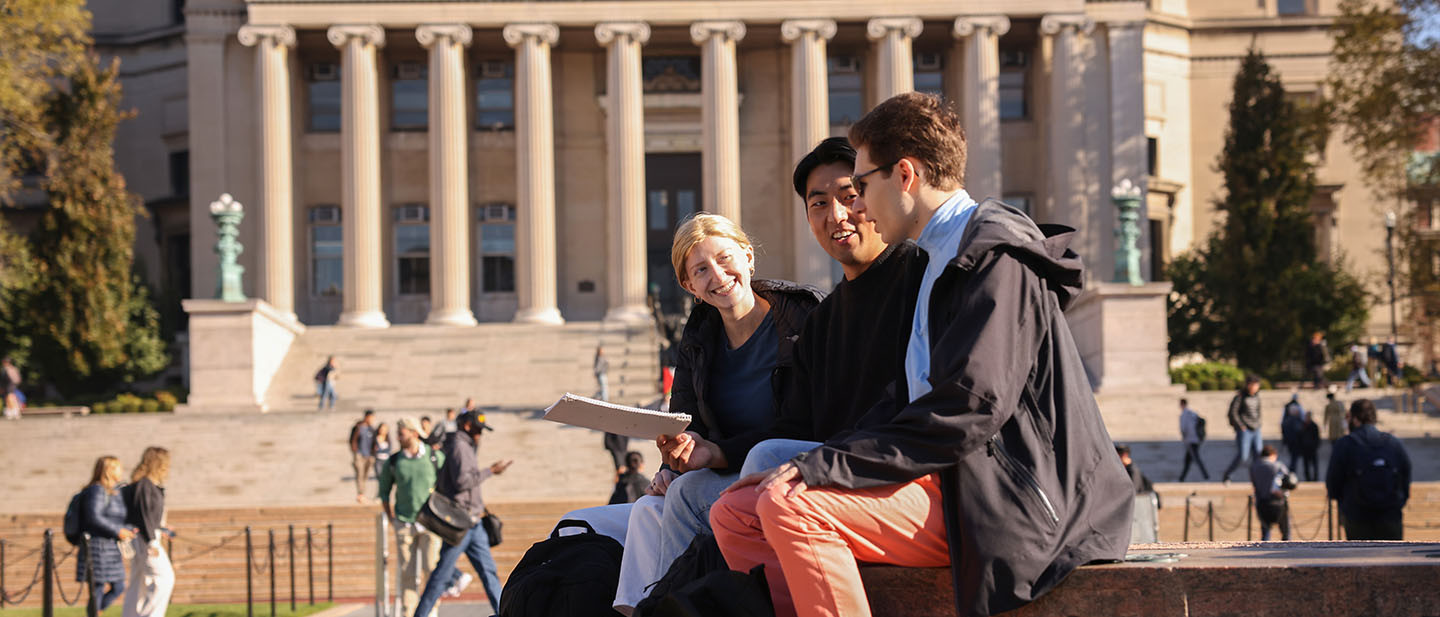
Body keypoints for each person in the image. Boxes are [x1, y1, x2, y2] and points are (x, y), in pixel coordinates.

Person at [711, 92, 1132, 617]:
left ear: (905, 175)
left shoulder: (991, 254)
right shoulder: (936, 259)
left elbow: (970, 405)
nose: (855, 206)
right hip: (948, 478)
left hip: (1012, 497)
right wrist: (809, 462)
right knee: (735, 512)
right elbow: (911, 402)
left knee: (792, 505)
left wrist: (827, 466)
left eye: (861, 186)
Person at [662, 135, 921, 590]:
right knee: (673, 499)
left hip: (903, 481)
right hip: (827, 468)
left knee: (757, 486)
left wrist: (816, 466)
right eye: (819, 203)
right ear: (688, 285)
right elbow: (806, 418)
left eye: (849, 196)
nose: (837, 215)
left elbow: (943, 409)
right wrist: (684, 460)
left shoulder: (819, 309)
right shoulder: (829, 317)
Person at [560, 213, 822, 614]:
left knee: (686, 493)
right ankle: (634, 611)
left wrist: (714, 455)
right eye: (700, 270)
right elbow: (686, 421)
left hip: (793, 465)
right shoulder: (699, 337)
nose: (717, 275)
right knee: (645, 509)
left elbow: (805, 421)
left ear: (748, 257)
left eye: (724, 258)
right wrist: (674, 459)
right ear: (689, 285)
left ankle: (672, 610)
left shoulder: (802, 320)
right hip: (728, 474)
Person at [414, 410, 512, 617]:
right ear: (467, 426)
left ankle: (504, 612)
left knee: (489, 572)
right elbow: (462, 482)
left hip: (473, 522)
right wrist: (490, 471)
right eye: (477, 430)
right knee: (442, 575)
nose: (480, 434)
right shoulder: (459, 446)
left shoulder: (464, 445)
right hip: (462, 522)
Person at [379, 418, 445, 617]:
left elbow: (447, 485)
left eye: (402, 433)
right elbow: (384, 491)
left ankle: (431, 612)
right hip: (404, 521)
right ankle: (409, 613)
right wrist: (392, 518)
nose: (398, 437)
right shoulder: (394, 461)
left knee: (431, 570)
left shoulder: (435, 457)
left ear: (414, 433)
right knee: (407, 573)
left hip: (431, 524)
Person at [1326, 399, 1412, 540]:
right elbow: (1406, 474)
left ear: (1354, 419)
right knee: (1393, 560)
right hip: (1390, 515)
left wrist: (1344, 505)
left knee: (1359, 560)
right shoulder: (1393, 443)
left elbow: (1333, 482)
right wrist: (1399, 502)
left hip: (1357, 515)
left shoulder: (1344, 444)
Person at [78, 456, 134, 616]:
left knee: (118, 586)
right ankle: (95, 613)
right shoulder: (96, 490)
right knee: (97, 588)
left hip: (110, 548)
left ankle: (97, 613)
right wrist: (118, 531)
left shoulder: (113, 491)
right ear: (109, 470)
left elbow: (117, 518)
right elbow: (94, 517)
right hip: (98, 548)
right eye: (118, 468)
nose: (121, 471)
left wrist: (127, 529)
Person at [122, 447, 174, 617]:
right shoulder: (145, 485)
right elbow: (144, 515)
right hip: (146, 539)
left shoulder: (144, 484)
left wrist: (162, 529)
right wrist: (152, 541)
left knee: (139, 583)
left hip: (143, 537)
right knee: (164, 578)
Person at [1221, 375, 1264, 483]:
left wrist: (1258, 423)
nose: (1256, 387)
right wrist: (1241, 426)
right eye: (1254, 385)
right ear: (1248, 385)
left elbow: (1258, 412)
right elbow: (1232, 412)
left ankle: (1257, 478)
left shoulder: (1257, 397)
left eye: (1257, 385)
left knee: (1258, 455)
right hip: (1245, 430)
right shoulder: (1240, 397)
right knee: (1243, 456)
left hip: (1256, 429)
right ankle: (1228, 475)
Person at [1249, 445, 1293, 541]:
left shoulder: (1254, 467)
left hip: (1261, 502)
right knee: (1286, 532)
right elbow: (1288, 481)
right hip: (1278, 502)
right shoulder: (1278, 466)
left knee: (1265, 532)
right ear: (1273, 455)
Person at [1178, 398, 1210, 481]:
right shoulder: (1193, 413)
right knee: (1188, 460)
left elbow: (1183, 429)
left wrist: (1184, 438)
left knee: (1196, 459)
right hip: (1196, 439)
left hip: (1190, 440)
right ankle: (1182, 478)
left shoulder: (1184, 415)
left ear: (1181, 404)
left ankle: (1206, 475)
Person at [350, 410, 377, 503]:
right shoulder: (358, 427)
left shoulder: (371, 429)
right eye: (371, 417)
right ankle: (360, 494)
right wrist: (355, 451)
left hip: (369, 455)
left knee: (365, 475)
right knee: (360, 474)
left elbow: (374, 442)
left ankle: (362, 493)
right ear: (366, 417)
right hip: (359, 455)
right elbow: (352, 440)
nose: (372, 420)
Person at [1280, 392, 1305, 472]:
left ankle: (1292, 469)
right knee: (1294, 457)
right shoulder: (1296, 421)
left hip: (1291, 441)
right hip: (1294, 441)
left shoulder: (1287, 420)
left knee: (1293, 457)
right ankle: (1292, 470)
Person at [1298, 410, 1321, 481]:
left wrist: (1315, 446)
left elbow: (1317, 437)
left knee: (1314, 465)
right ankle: (1307, 479)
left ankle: (1315, 478)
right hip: (1305, 449)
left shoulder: (1314, 426)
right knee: (1306, 465)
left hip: (1312, 449)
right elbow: (1300, 437)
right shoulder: (1303, 425)